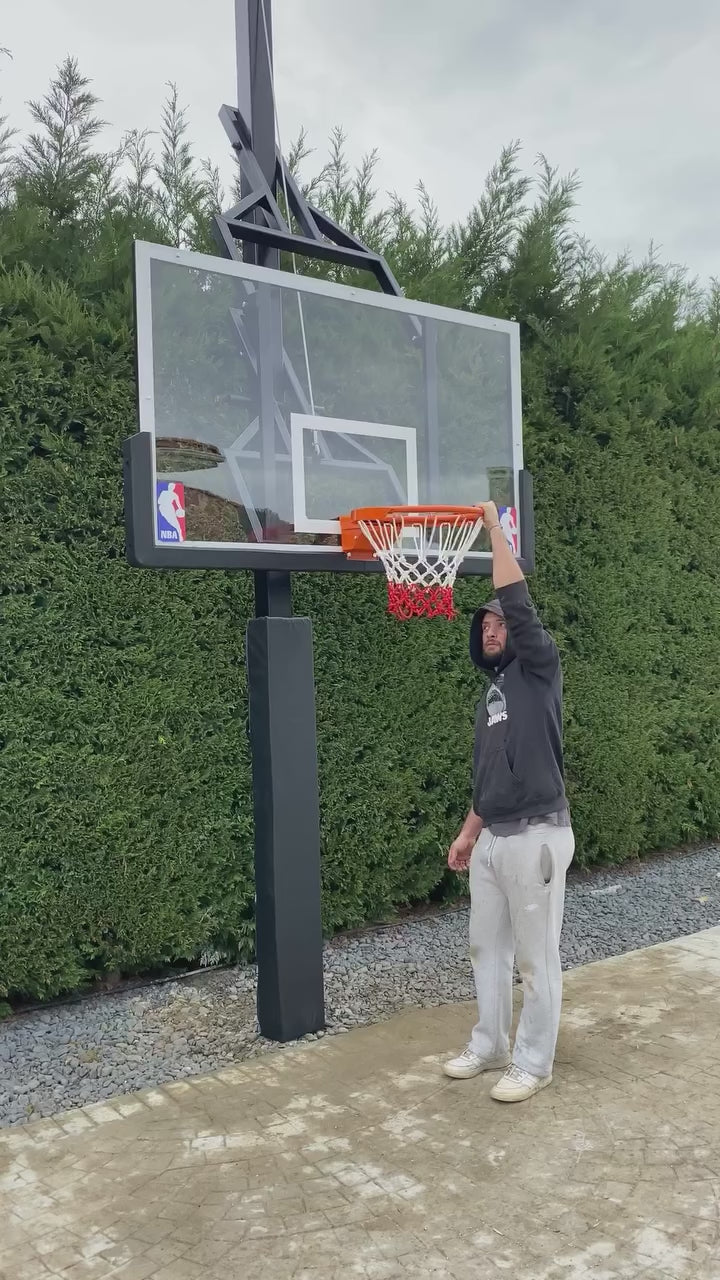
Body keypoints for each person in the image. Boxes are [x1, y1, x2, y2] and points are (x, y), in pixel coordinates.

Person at [443, 500, 574, 1103]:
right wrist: (469, 833)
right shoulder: (493, 695)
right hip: (493, 838)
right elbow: (490, 776)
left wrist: (493, 526)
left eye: (498, 623)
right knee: (485, 949)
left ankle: (533, 1063)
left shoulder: (540, 669)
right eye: (484, 627)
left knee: (534, 959)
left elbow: (518, 602)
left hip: (537, 836)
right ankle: (490, 1044)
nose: (491, 630)